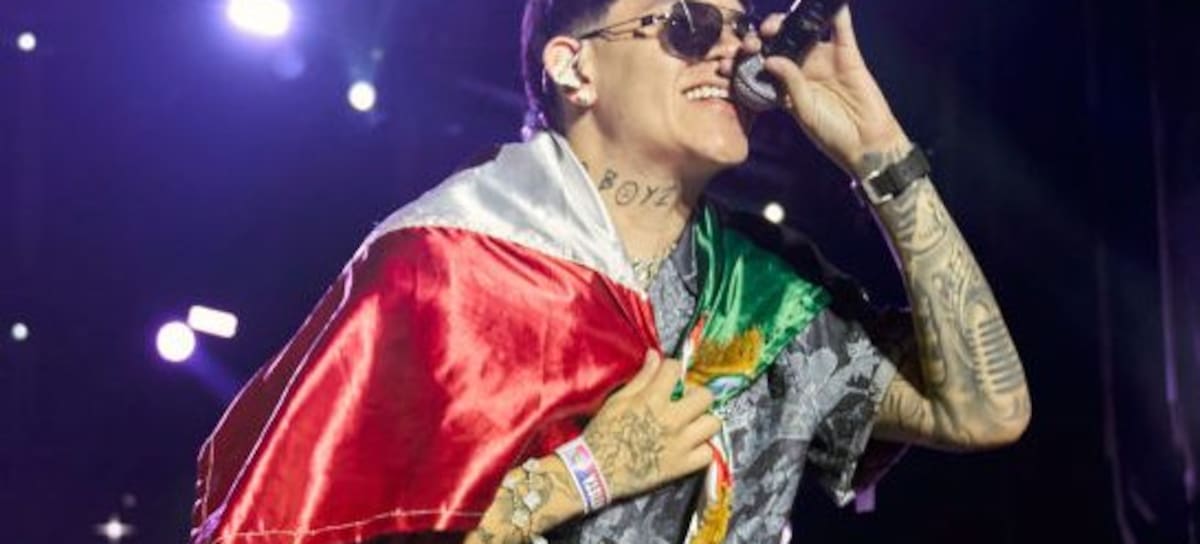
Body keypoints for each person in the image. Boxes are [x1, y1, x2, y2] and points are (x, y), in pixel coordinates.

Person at [190, 1, 1032, 543]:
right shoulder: (445, 269)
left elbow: (982, 412)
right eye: (689, 25)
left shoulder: (769, 289)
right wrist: (581, 476)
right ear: (574, 67)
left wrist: (879, 148)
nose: (732, 52)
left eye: (738, 27)